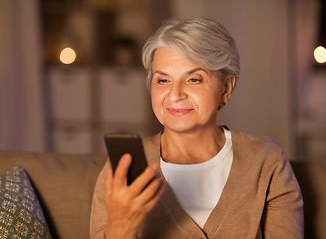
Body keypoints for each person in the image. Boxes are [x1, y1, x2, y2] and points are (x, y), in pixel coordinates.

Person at [90, 18, 304, 239]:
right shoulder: (122, 170)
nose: (175, 95)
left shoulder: (265, 161)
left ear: (226, 89)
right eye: (163, 81)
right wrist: (120, 228)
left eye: (193, 79)